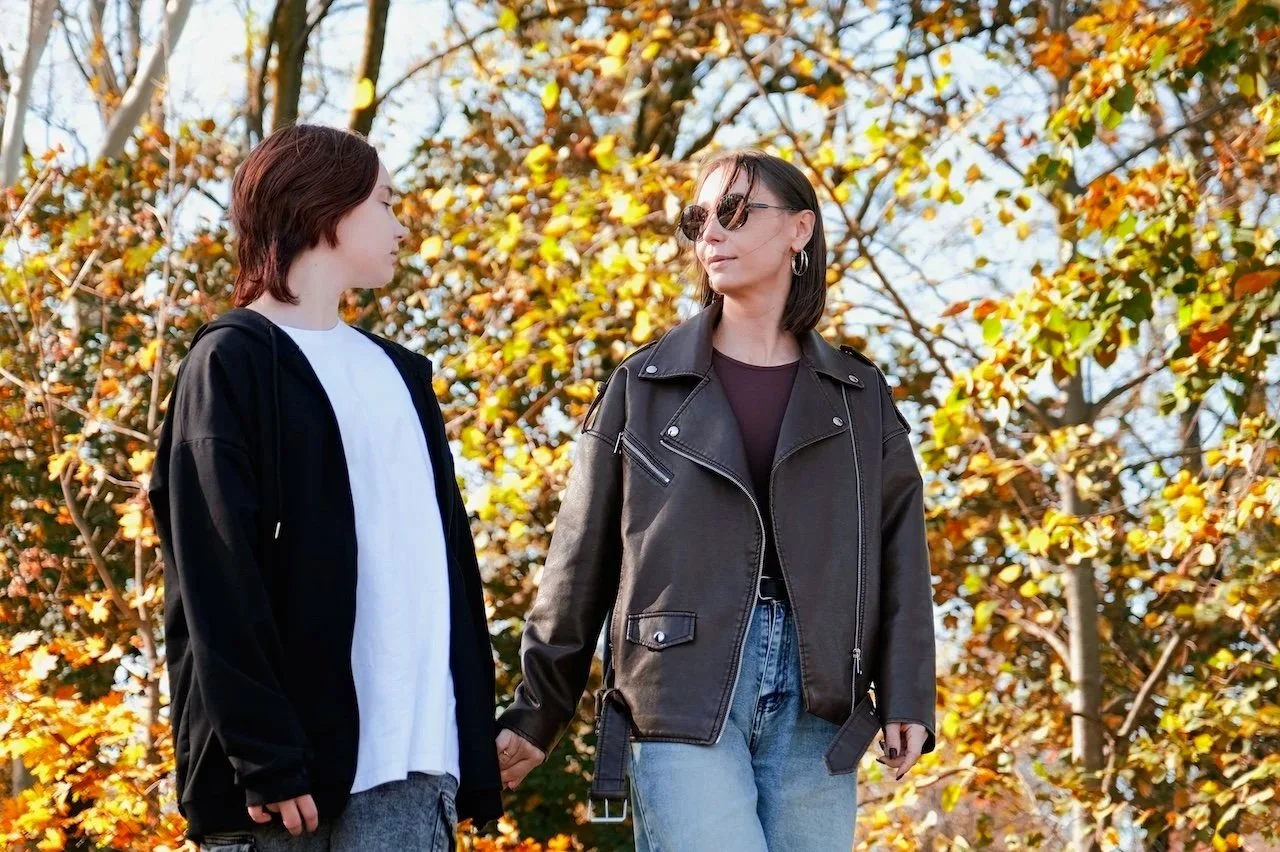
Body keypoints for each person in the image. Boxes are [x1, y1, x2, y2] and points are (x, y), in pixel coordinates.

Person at [494, 149, 937, 850]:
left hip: (821, 703)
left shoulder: (860, 397)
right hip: (677, 685)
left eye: (735, 212)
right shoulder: (642, 385)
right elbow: (578, 561)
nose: (712, 234)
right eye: (698, 218)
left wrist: (908, 691)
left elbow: (900, 549)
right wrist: (537, 712)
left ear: (799, 230)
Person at [149, 124, 502, 852]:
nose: (401, 224)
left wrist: (469, 748)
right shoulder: (230, 364)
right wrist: (266, 757)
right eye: (385, 202)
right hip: (282, 787)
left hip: (413, 769)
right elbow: (217, 579)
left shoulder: (403, 376)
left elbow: (449, 571)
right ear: (325, 209)